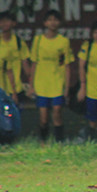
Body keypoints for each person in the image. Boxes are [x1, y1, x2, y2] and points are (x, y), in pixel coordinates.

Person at [29, 9, 72, 142]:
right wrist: (31, 86)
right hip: (41, 83)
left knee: (57, 112)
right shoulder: (38, 40)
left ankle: (59, 142)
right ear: (45, 23)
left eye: (56, 20)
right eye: (50, 20)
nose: (53, 23)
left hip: (57, 81)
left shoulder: (63, 41)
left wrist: (67, 87)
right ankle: (44, 142)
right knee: (43, 117)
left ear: (59, 23)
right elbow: (34, 63)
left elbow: (67, 65)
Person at [0, 10, 32, 98]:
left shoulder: (19, 42)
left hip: (16, 88)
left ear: (14, 23)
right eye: (2, 21)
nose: (4, 23)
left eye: (7, 20)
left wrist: (31, 84)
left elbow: (26, 66)